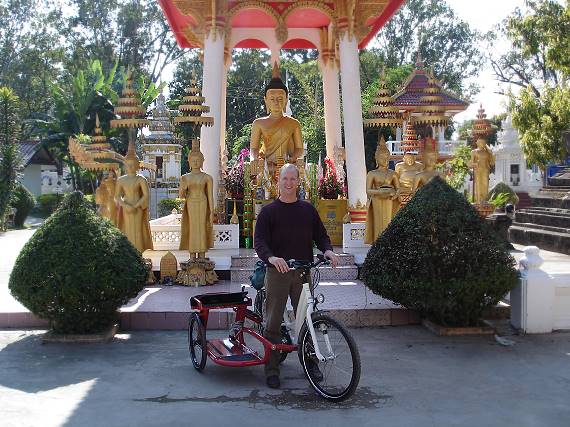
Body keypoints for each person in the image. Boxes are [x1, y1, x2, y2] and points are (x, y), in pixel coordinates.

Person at [254, 163, 339, 389]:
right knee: (273, 323)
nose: (289, 183)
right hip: (277, 274)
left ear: (298, 181)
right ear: (278, 182)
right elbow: (259, 241)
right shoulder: (269, 212)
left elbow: (321, 235)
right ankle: (271, 369)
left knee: (306, 322)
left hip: (302, 274)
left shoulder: (307, 210)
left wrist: (327, 249)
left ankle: (310, 363)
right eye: (285, 179)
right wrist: (271, 258)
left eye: (293, 179)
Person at [114, 142, 153, 252]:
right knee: (128, 230)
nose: (130, 167)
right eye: (128, 164)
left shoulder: (141, 179)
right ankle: (130, 253)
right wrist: (125, 205)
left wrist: (135, 205)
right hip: (126, 208)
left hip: (138, 207)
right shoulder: (121, 180)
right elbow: (117, 196)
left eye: (132, 164)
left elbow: (146, 195)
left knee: (138, 230)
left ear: (137, 165)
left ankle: (139, 253)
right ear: (125, 165)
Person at [179, 139, 214, 259]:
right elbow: (181, 197)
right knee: (193, 227)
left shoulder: (207, 178)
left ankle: (202, 254)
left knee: (202, 227)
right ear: (189, 161)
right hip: (191, 203)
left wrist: (212, 212)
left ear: (202, 161)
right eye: (193, 160)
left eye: (198, 160)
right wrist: (183, 189)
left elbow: (210, 196)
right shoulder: (185, 178)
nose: (195, 162)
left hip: (203, 203)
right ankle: (192, 254)